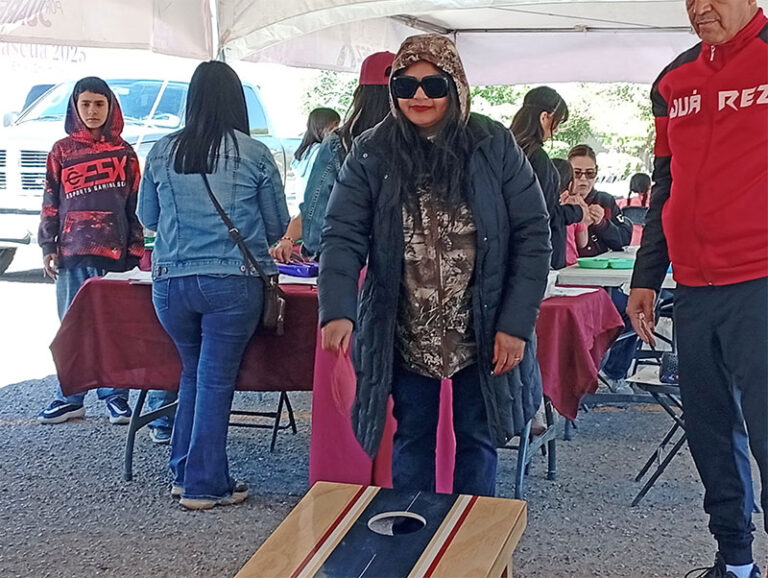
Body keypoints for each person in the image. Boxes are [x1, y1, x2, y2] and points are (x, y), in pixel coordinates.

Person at [318, 34, 551, 497]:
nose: (419, 96)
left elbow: (533, 234)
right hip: (403, 330)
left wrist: (515, 324)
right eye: (405, 86)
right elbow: (341, 233)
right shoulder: (371, 149)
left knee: (478, 438)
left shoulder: (493, 143)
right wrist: (338, 309)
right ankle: (412, 532)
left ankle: (473, 537)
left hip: (483, 327)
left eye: (433, 84)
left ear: (456, 85)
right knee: (412, 436)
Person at [628, 1, 767, 576]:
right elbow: (665, 183)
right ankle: (735, 562)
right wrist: (646, 276)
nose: (699, 7)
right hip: (692, 287)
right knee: (709, 432)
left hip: (760, 280)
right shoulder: (673, 78)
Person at [138, 61, 289, 510]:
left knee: (193, 372)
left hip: (169, 284)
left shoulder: (161, 150)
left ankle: (184, 472)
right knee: (216, 379)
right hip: (232, 283)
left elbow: (147, 218)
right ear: (237, 101)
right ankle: (204, 485)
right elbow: (277, 226)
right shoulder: (255, 153)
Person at [37, 76, 143, 426]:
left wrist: (135, 250)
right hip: (72, 254)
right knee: (72, 327)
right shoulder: (61, 151)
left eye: (99, 104)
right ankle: (69, 397)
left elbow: (135, 205)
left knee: (115, 328)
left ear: (111, 107)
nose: (92, 111)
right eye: (85, 104)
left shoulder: (125, 153)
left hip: (115, 256)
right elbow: (50, 201)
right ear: (74, 107)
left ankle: (116, 397)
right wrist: (48, 244)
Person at [270, 51, 394, 263]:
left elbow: (315, 222)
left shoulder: (340, 142)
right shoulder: (422, 142)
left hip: (350, 264)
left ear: (359, 95)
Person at [510, 86, 587, 269]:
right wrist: (577, 212)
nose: (556, 130)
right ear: (545, 117)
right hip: (536, 255)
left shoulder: (507, 151)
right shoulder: (538, 159)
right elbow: (545, 213)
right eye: (557, 122)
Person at [568, 143, 633, 257]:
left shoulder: (605, 201)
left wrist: (602, 224)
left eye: (590, 173)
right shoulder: (559, 201)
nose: (583, 178)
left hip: (600, 264)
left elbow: (624, 240)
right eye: (576, 173)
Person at [290, 107, 340, 200]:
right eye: (336, 124)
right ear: (323, 125)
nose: (338, 128)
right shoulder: (323, 152)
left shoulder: (304, 152)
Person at [551, 158, 588, 267]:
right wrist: (583, 211)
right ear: (571, 184)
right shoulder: (573, 208)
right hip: (569, 267)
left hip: (547, 265)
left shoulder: (542, 205)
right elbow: (583, 242)